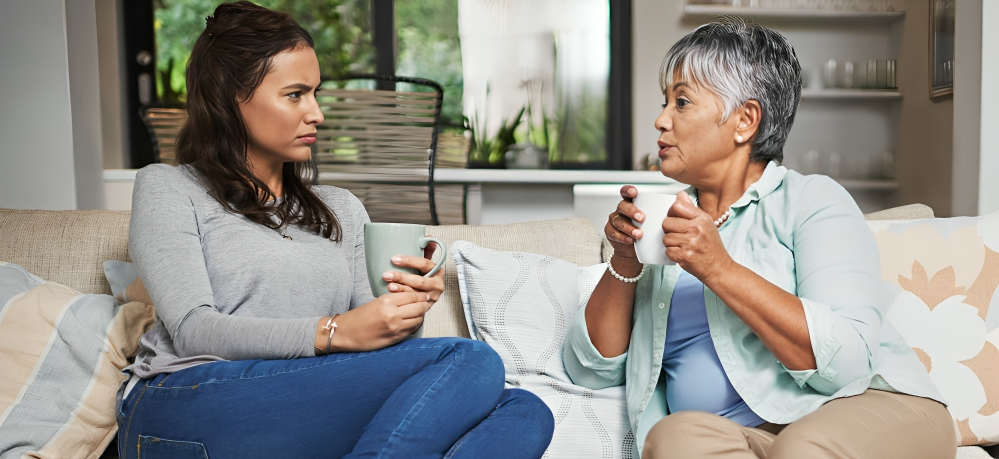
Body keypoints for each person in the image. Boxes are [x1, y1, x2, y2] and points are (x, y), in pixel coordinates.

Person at [116, 3, 554, 458]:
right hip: (184, 398)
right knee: (471, 360)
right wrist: (334, 330)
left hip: (302, 404)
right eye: (295, 95)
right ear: (231, 98)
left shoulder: (340, 210)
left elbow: (381, 358)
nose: (317, 113)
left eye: (316, 93)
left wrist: (406, 307)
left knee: (524, 412)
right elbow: (194, 330)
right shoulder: (168, 187)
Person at [563, 18, 954, 459]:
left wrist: (719, 268)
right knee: (672, 438)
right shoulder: (668, 227)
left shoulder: (813, 201)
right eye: (664, 102)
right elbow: (589, 371)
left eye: (682, 102)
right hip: (746, 438)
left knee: (804, 448)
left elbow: (847, 366)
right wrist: (625, 260)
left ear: (745, 121)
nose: (660, 120)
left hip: (869, 410)